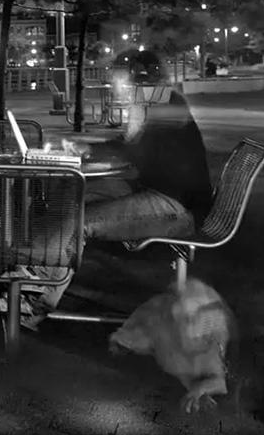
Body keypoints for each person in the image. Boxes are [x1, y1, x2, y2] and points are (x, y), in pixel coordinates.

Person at [15, 80, 213, 330]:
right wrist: (88, 148)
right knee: (70, 195)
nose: (121, 92)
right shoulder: (155, 105)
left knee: (81, 221)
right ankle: (27, 273)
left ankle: (33, 304)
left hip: (177, 207)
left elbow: (138, 149)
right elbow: (130, 146)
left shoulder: (166, 103)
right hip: (156, 191)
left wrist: (132, 128)